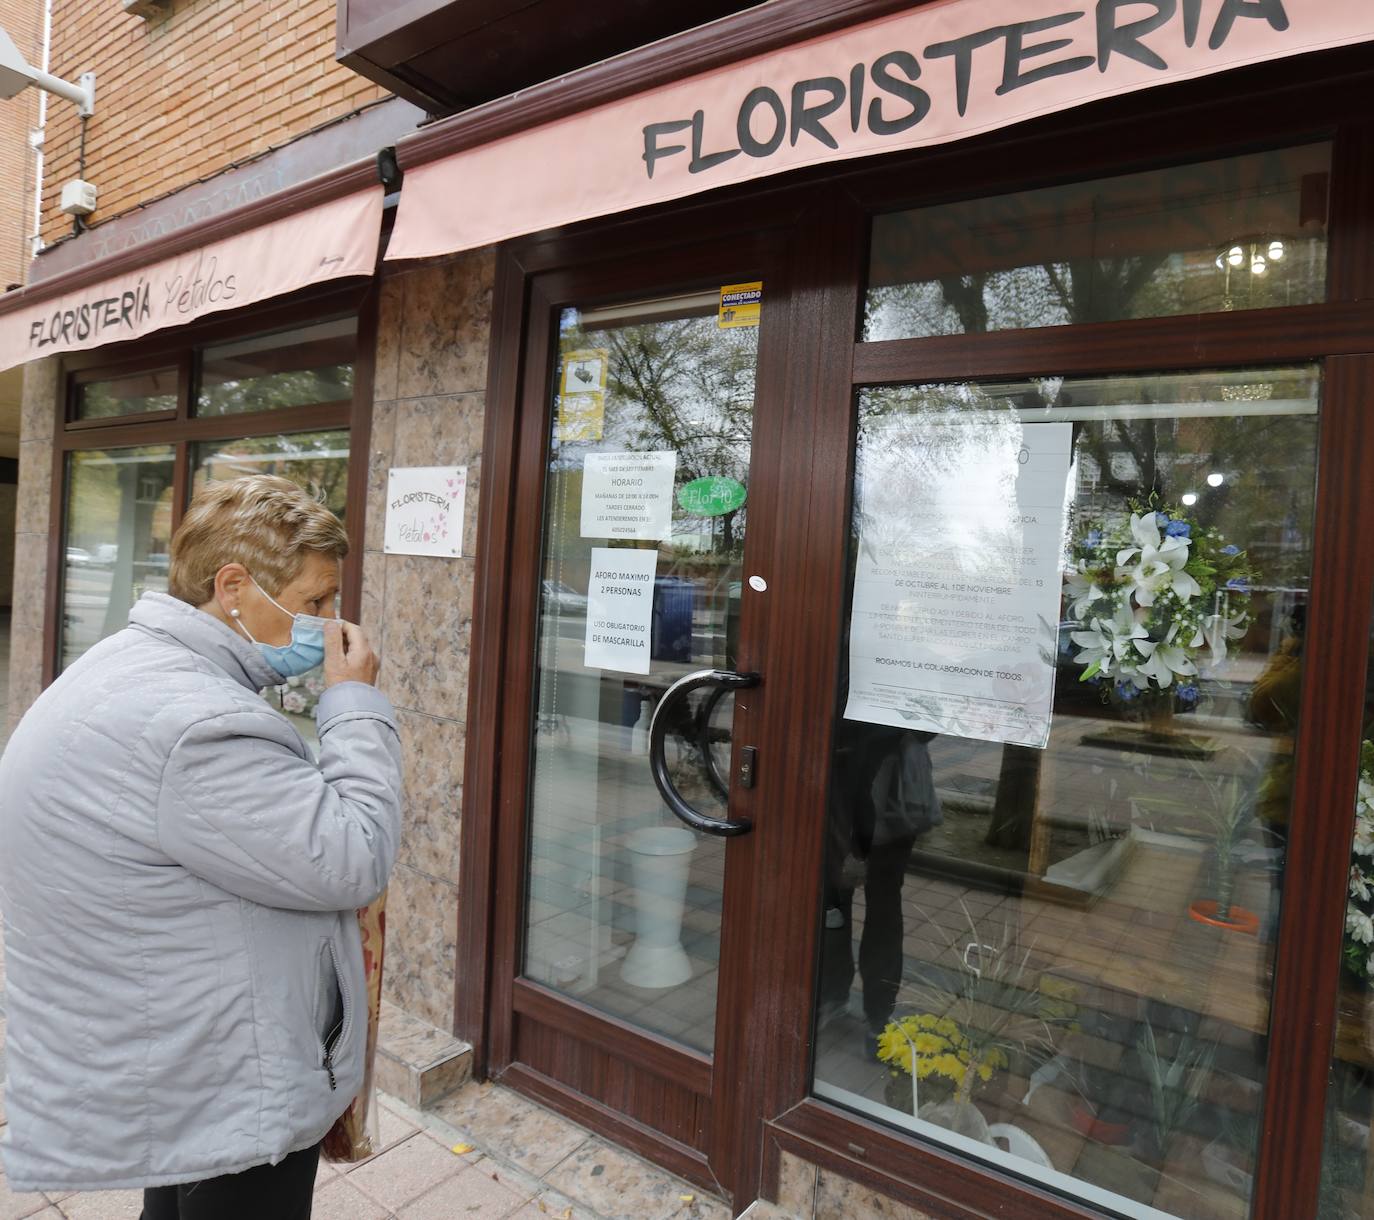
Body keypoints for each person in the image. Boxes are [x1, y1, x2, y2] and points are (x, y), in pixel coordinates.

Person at [0, 475, 403, 1220]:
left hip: (175, 1042)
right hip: (225, 1070)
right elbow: (353, 856)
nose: (329, 621)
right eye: (316, 601)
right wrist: (354, 703)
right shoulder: (198, 724)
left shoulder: (131, 664)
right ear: (233, 587)